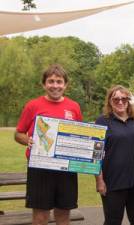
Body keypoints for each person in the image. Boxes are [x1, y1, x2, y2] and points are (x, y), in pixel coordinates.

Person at [15, 64, 82, 225]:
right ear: (44, 84)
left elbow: (80, 136)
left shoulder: (74, 107)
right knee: (40, 217)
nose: (55, 85)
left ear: (65, 85)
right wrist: (28, 140)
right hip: (40, 167)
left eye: (59, 82)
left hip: (66, 168)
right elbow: (18, 134)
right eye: (51, 81)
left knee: (63, 215)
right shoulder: (32, 105)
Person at [94, 85, 134, 225]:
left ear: (129, 101)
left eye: (124, 99)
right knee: (112, 221)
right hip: (112, 182)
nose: (120, 102)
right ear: (110, 102)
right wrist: (99, 180)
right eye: (116, 99)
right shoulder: (102, 121)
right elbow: (95, 154)